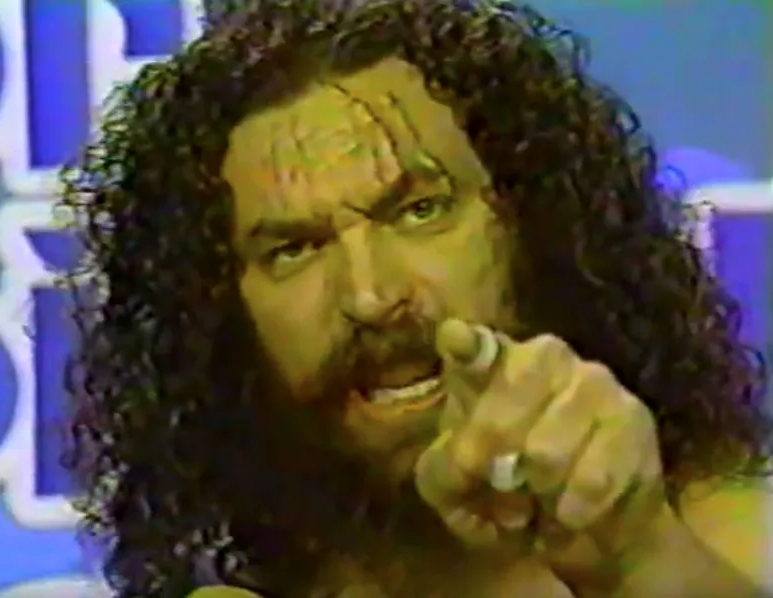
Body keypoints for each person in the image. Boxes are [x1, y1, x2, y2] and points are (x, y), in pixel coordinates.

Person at [59, 1, 773, 596]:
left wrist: (640, 566)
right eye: (294, 249)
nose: (371, 296)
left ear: (536, 224)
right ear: (219, 320)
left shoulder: (733, 547)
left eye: (419, 211)